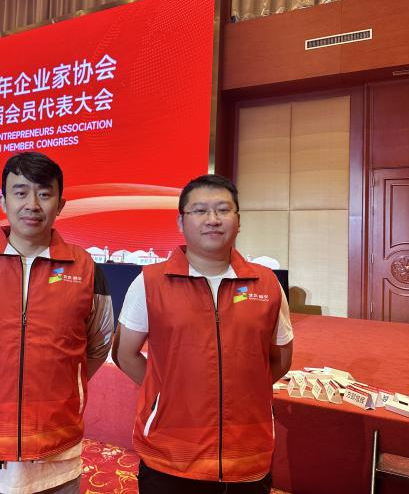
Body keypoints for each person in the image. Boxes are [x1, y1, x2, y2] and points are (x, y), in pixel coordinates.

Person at [0, 151, 114, 494]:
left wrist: (63, 381)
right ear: (3, 202)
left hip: (56, 453)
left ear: (60, 204)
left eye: (44, 194)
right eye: (20, 193)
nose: (32, 204)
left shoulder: (86, 269)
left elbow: (98, 344)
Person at [112, 174, 293, 494]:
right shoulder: (150, 282)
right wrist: (166, 393)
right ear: (181, 222)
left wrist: (243, 389)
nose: (213, 219)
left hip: (246, 454)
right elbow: (125, 354)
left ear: (238, 220)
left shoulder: (267, 284)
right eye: (200, 211)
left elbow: (279, 359)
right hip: (169, 455)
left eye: (223, 210)